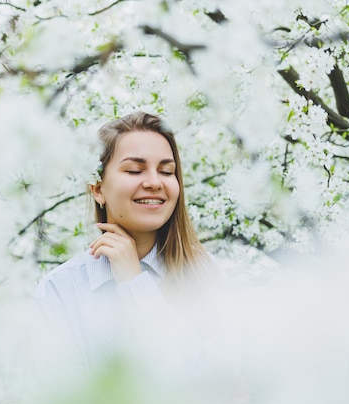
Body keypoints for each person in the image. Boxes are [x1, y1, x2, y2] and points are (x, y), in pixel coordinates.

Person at [34, 111, 214, 366]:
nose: (154, 182)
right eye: (134, 170)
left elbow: (218, 384)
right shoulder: (60, 291)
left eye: (166, 171)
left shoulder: (207, 274)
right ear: (97, 189)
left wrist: (135, 281)